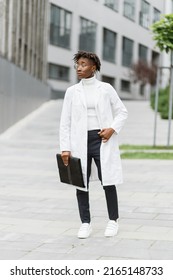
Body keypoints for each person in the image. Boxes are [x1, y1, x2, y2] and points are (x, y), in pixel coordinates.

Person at [59, 50, 128, 239]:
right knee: (81, 183)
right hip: (79, 142)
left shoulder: (106, 88)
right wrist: (65, 147)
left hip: (102, 140)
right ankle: (85, 223)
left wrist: (112, 129)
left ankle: (113, 220)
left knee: (108, 180)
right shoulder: (72, 92)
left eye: (83, 64)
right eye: (77, 65)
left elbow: (122, 112)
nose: (79, 68)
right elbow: (65, 122)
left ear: (93, 67)